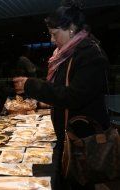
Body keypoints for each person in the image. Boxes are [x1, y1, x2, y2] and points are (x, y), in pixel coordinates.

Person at [13, 4, 110, 190]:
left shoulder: (90, 53)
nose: (51, 39)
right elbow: (61, 90)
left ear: (71, 29)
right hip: (71, 136)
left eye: (54, 34)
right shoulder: (68, 54)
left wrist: (31, 85)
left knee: (81, 182)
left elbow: (73, 96)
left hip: (83, 140)